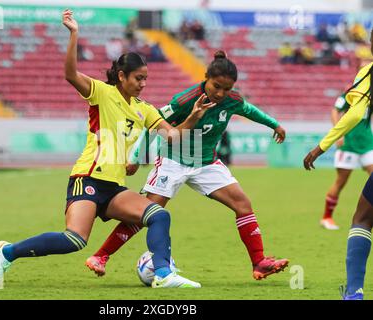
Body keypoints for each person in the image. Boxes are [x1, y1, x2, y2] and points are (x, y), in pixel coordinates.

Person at [0, 9, 216, 290]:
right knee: (74, 240)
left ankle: (164, 274)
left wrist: (193, 116)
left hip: (114, 187)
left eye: (145, 79)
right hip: (88, 179)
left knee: (158, 215)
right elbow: (70, 73)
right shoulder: (101, 93)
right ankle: (6, 253)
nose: (143, 84)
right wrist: (74, 34)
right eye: (138, 78)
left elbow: (172, 136)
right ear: (121, 76)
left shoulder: (144, 109)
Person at [85, 51, 289, 281]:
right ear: (206, 78)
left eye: (227, 88)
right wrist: (138, 156)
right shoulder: (184, 100)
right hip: (173, 160)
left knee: (242, 204)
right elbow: (154, 122)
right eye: (216, 86)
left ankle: (259, 263)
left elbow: (250, 110)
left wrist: (274, 125)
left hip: (206, 162)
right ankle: (100, 256)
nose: (221, 93)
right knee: (147, 212)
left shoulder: (233, 100)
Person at [303, 28, 373, 300]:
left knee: (363, 218)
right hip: (356, 145)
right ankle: (326, 215)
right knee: (341, 182)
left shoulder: (368, 73)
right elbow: (339, 108)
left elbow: (354, 113)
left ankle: (354, 292)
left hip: (361, 143)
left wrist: (323, 145)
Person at [320, 90, 373, 230]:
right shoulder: (349, 94)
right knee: (341, 181)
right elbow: (335, 111)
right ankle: (326, 217)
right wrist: (339, 134)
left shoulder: (370, 94)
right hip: (349, 145)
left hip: (367, 145)